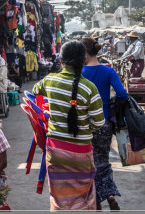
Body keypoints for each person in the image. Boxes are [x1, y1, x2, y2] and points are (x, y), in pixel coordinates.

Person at [32, 40, 105, 210]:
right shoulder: (90, 88)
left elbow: (35, 91)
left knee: (59, 199)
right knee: (84, 199)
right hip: (81, 152)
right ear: (83, 61)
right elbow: (99, 121)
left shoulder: (49, 81)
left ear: (61, 61)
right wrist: (85, 126)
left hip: (56, 151)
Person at [81, 37, 128, 210]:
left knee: (88, 163)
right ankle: (109, 194)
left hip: (83, 125)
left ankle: (96, 200)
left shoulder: (79, 72)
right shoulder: (108, 71)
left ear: (84, 53)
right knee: (103, 160)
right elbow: (123, 94)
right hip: (104, 124)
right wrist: (112, 103)